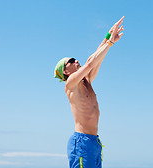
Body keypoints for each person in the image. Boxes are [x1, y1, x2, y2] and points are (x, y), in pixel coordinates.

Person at [54, 16, 125, 168]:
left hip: (94, 142)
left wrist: (108, 35)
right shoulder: (71, 84)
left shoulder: (86, 81)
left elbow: (96, 59)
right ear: (66, 71)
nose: (76, 61)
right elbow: (89, 63)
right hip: (81, 144)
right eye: (71, 61)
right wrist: (110, 43)